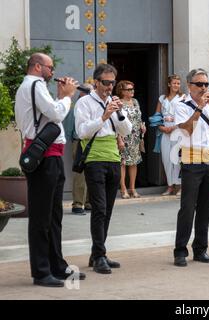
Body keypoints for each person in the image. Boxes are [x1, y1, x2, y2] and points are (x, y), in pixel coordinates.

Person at [15, 53, 85, 287]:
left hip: (51, 156)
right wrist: (66, 97)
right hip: (43, 158)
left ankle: (56, 264)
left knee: (54, 216)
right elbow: (57, 114)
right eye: (50, 67)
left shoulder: (38, 87)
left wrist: (60, 98)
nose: (53, 71)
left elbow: (50, 113)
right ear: (37, 66)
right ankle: (42, 271)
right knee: (41, 217)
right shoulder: (34, 84)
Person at [75, 64, 132, 274]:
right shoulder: (84, 103)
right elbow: (82, 132)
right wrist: (103, 117)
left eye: (112, 83)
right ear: (96, 82)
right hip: (94, 159)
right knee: (98, 208)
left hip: (113, 158)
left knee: (107, 209)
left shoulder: (113, 102)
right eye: (106, 83)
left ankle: (98, 253)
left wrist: (118, 114)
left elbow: (127, 130)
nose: (110, 87)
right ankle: (99, 256)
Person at [172, 68, 209, 267]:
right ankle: (180, 251)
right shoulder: (181, 105)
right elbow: (186, 130)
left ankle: (200, 249)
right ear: (190, 86)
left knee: (206, 207)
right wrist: (198, 108)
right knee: (187, 208)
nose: (204, 88)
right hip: (191, 160)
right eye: (199, 84)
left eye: (206, 84)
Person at [63, 83, 93, 215]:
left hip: (94, 141)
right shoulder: (75, 106)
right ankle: (77, 204)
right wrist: (72, 141)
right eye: (87, 91)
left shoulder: (95, 104)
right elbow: (69, 127)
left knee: (93, 172)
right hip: (79, 141)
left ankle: (89, 202)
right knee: (80, 173)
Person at [153, 74, 184, 196]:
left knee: (177, 159)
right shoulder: (162, 98)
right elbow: (156, 115)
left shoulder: (183, 98)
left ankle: (180, 186)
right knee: (166, 159)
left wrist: (174, 127)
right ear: (169, 84)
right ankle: (170, 186)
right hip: (164, 131)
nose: (176, 85)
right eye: (174, 83)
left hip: (177, 131)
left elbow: (186, 116)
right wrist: (161, 127)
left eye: (178, 83)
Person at [116, 80, 146, 199]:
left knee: (134, 162)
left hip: (135, 137)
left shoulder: (135, 102)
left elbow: (139, 117)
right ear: (121, 91)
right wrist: (119, 138)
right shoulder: (119, 103)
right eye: (128, 89)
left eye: (132, 89)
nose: (131, 91)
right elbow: (117, 122)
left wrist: (142, 126)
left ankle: (132, 188)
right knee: (122, 162)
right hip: (124, 136)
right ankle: (123, 189)